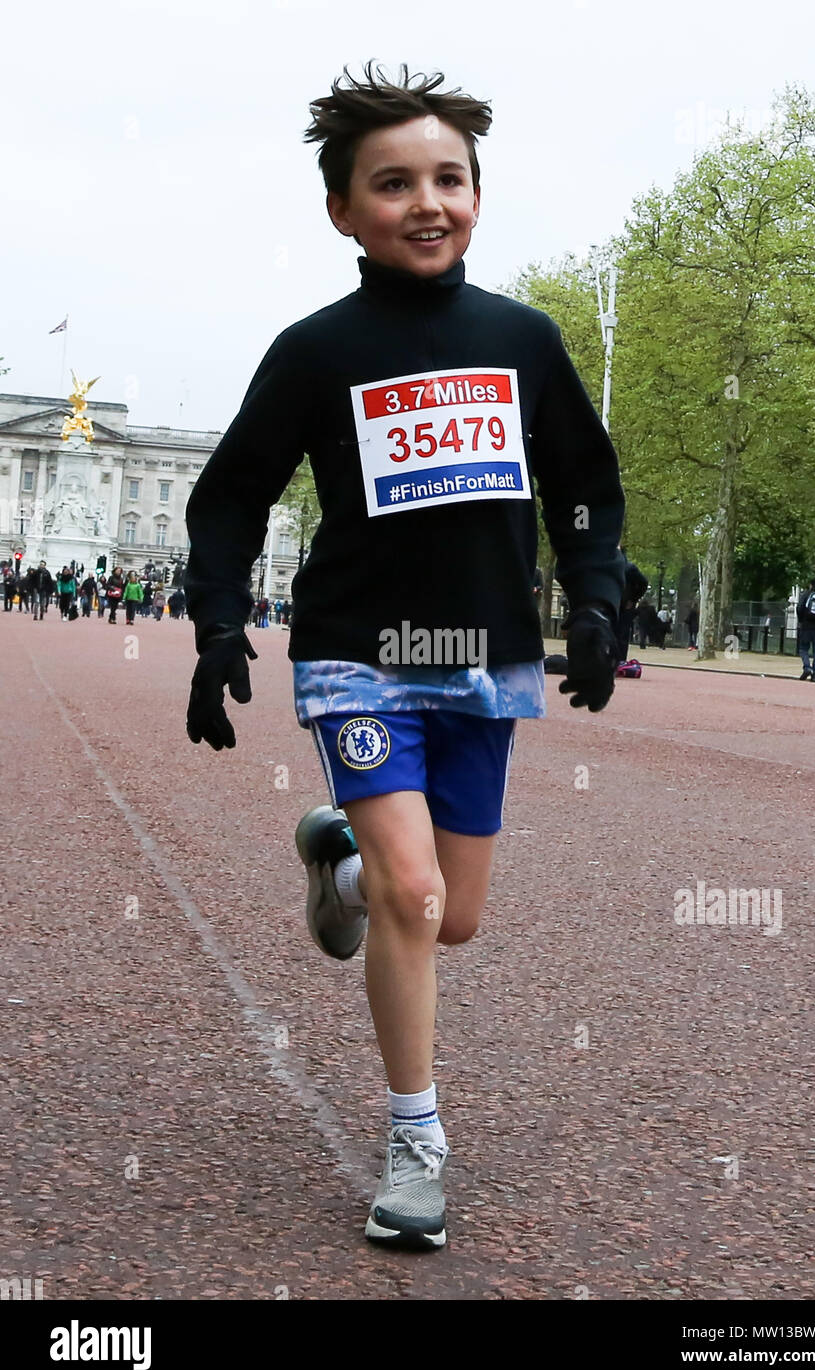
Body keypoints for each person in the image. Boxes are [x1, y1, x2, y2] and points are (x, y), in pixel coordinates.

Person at [183, 62, 625, 1252]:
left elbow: (586, 486)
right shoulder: (315, 348)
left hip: (483, 660)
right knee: (416, 896)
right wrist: (217, 619)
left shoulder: (522, 340)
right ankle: (415, 1139)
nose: (425, 201)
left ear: (477, 194)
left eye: (448, 178)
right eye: (392, 184)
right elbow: (228, 498)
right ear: (343, 211)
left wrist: (592, 598)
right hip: (355, 657)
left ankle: (334, 858)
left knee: (453, 914)